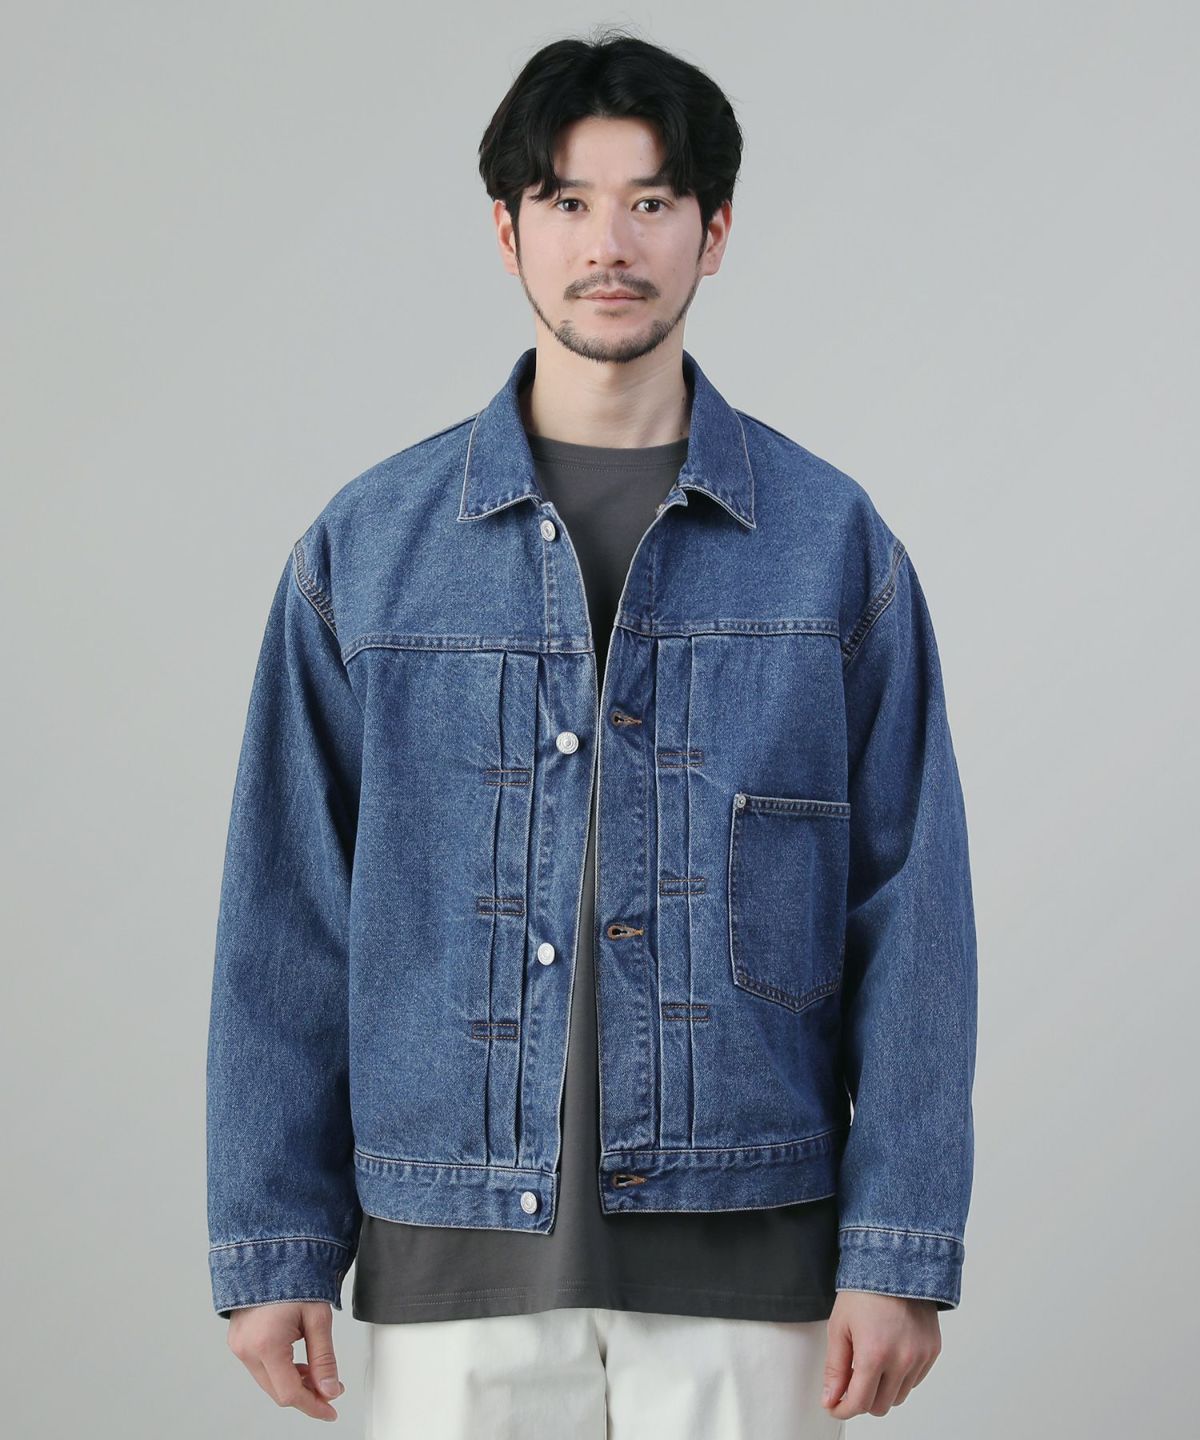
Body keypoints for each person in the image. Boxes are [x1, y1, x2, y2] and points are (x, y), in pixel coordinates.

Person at [206, 28, 977, 1438]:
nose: (608, 243)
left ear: (713, 233)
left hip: (753, 1243)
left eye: (651, 201)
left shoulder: (831, 548)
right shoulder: (369, 552)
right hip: (453, 1246)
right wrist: (274, 1244)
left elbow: (913, 911)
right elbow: (287, 912)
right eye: (567, 201)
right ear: (507, 232)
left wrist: (899, 1250)